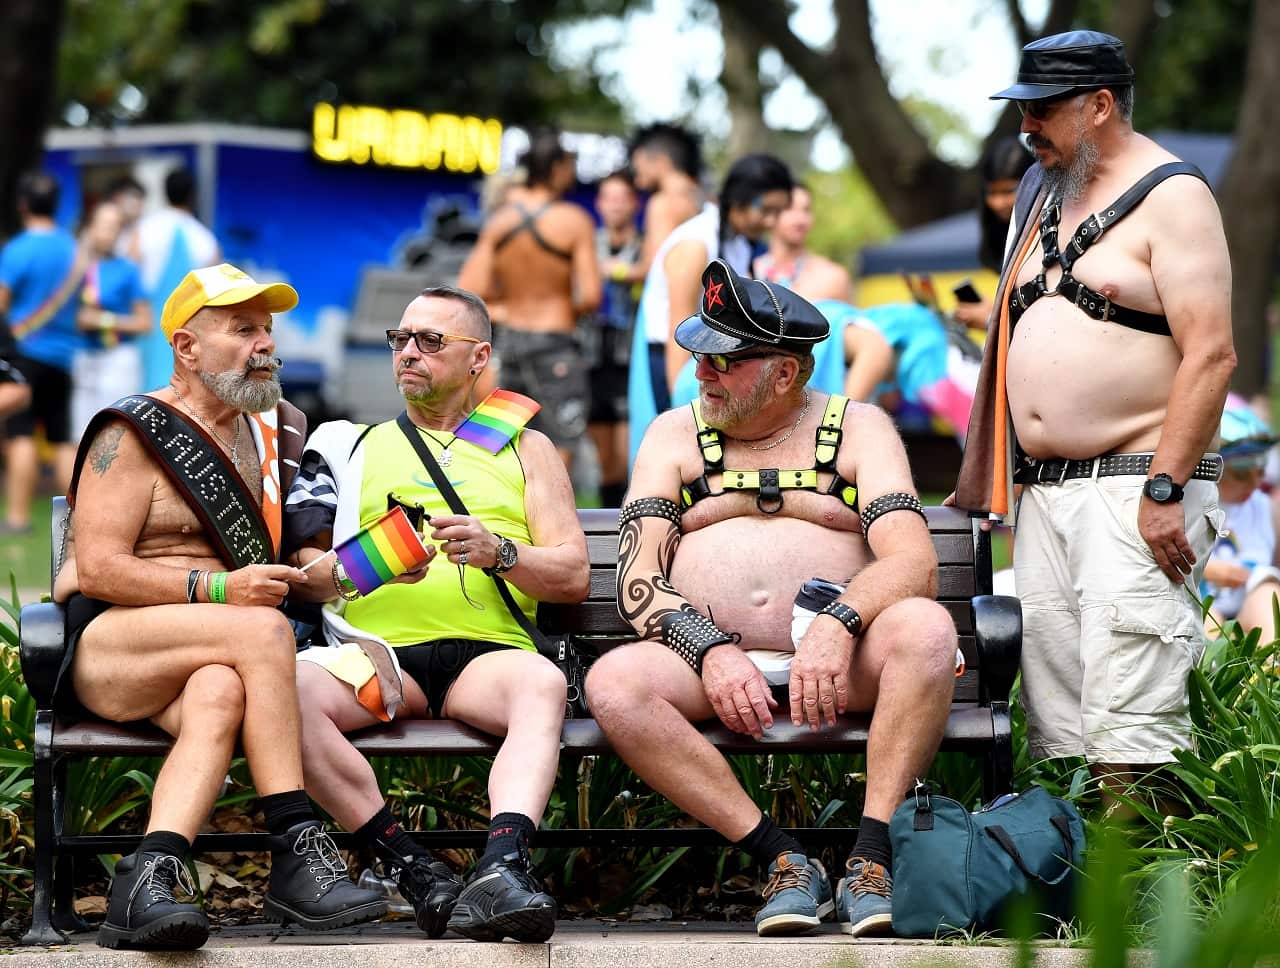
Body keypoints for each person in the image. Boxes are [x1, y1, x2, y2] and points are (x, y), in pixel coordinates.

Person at [590, 259, 958, 938]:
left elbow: (914, 560)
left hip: (843, 661)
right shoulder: (674, 435)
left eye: (722, 361)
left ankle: (870, 859)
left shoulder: (858, 427)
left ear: (784, 372)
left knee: (928, 631)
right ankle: (781, 858)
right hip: (711, 663)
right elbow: (635, 582)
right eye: (698, 355)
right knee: (615, 684)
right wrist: (710, 652)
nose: (700, 373)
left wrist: (840, 622)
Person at [51, 263, 387, 949]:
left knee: (218, 693)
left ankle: (144, 881)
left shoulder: (273, 438)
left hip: (215, 648)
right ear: (186, 348)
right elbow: (96, 568)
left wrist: (365, 570)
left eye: (267, 329)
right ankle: (295, 846)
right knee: (260, 632)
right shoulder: (130, 433)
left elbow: (292, 572)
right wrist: (218, 590)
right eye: (242, 330)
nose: (263, 343)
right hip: (114, 648)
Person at [955, 31, 1236, 794]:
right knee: (1063, 722)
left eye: (1042, 111)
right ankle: (1081, 899)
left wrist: (1166, 491)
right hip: (1045, 493)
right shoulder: (1038, 192)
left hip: (1136, 484)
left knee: (1132, 718)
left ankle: (1146, 906)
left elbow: (1211, 355)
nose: (1026, 128)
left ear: (1100, 105)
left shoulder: (1175, 195)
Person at [284, 285, 590, 942]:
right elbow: (305, 579)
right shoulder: (344, 443)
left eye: (430, 341)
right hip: (379, 654)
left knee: (540, 684)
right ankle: (416, 870)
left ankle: (500, 871)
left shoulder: (525, 447)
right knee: (287, 694)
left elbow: (571, 573)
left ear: (479, 356)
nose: (408, 354)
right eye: (401, 339)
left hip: (490, 654)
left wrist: (499, 551)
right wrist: (372, 564)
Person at [627, 153, 794, 463]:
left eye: (778, 212)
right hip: (670, 358)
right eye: (765, 209)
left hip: (707, 359)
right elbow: (678, 324)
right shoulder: (694, 244)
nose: (772, 222)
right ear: (738, 201)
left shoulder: (740, 245)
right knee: (673, 454)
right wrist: (680, 400)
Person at [458, 129, 601, 470]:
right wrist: (566, 305)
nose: (572, 174)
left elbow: (468, 290)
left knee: (497, 445)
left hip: (509, 345)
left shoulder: (500, 222)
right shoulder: (574, 222)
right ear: (554, 167)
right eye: (568, 166)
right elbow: (592, 295)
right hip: (557, 345)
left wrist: (505, 308)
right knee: (559, 448)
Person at [0, 171, 86, 534]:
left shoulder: (17, 250)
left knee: (21, 436)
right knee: (61, 437)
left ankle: (18, 519)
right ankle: (75, 522)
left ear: (22, 206)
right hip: (64, 357)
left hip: (24, 354)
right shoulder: (74, 251)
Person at [130, 166, 222, 392]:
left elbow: (130, 276)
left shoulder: (143, 230)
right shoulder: (205, 239)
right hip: (188, 326)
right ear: (193, 196)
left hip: (146, 325)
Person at [70, 201, 151, 438]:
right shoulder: (76, 266)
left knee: (114, 435)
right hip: (82, 357)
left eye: (115, 226)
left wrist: (101, 320)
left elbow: (144, 322)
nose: (108, 232)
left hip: (117, 358)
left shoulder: (128, 270)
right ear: (90, 226)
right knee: (81, 435)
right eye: (103, 225)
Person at [1201, 404, 1280, 643]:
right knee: (1206, 617)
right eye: (1241, 474)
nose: (1255, 483)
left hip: (1245, 602)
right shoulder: (1192, 503)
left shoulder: (1261, 505)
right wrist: (1209, 570)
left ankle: (1271, 670)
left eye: (1261, 471)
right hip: (1202, 598)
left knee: (1270, 595)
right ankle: (1213, 675)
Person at [588, 169, 643, 507]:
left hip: (630, 359)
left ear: (634, 204)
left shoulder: (646, 247)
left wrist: (612, 270)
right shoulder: (588, 242)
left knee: (628, 456)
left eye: (622, 198)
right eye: (609, 198)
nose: (616, 206)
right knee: (605, 461)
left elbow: (647, 272)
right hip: (593, 357)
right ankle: (608, 530)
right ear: (599, 204)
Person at [951, 137, 1034, 332]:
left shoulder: (1048, 233)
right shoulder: (1001, 233)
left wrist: (990, 321)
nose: (998, 203)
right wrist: (997, 309)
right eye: (992, 193)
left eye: (1007, 191)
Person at [623, 123, 706, 285]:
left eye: (639, 166)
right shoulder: (707, 200)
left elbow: (655, 268)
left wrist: (614, 269)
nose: (637, 179)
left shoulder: (663, 204)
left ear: (661, 161)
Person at [755, 184, 853, 302]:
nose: (800, 219)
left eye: (806, 210)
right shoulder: (745, 275)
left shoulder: (833, 277)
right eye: (789, 208)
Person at [105, 174, 147, 260]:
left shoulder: (143, 228)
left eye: (141, 199)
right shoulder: (103, 228)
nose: (139, 205)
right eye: (135, 197)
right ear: (117, 198)